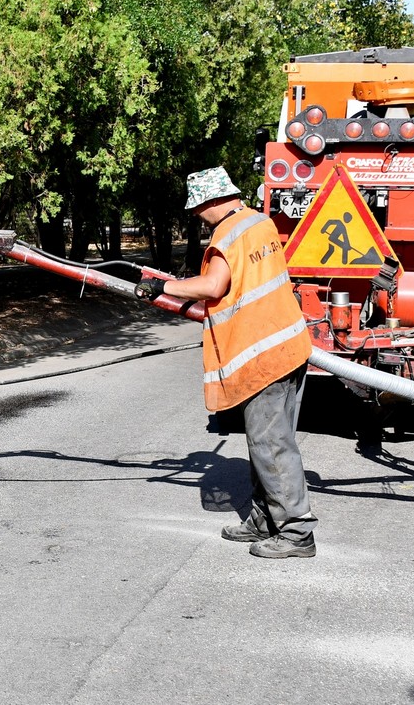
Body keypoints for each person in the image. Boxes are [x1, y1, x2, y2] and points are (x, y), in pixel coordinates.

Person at [135, 166, 318, 558]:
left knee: (270, 443)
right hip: (286, 345)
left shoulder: (227, 233)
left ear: (213, 201)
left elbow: (213, 287)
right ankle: (265, 520)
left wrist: (161, 286)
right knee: (266, 441)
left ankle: (297, 532)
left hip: (261, 352)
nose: (198, 215)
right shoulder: (260, 222)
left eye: (199, 208)